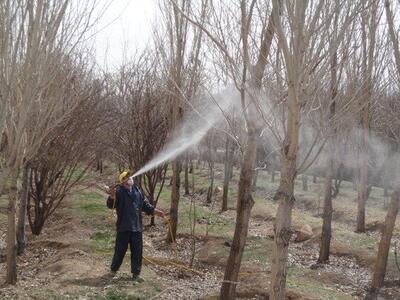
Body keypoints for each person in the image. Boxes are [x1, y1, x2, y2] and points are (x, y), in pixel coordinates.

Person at [105, 170, 164, 282]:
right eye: (127, 177)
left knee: (137, 252)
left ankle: (136, 274)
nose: (130, 178)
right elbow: (110, 205)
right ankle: (113, 270)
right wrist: (112, 195)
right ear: (123, 181)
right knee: (120, 250)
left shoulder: (138, 191)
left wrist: (157, 212)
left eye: (130, 176)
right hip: (123, 227)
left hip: (137, 228)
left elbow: (146, 206)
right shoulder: (118, 191)